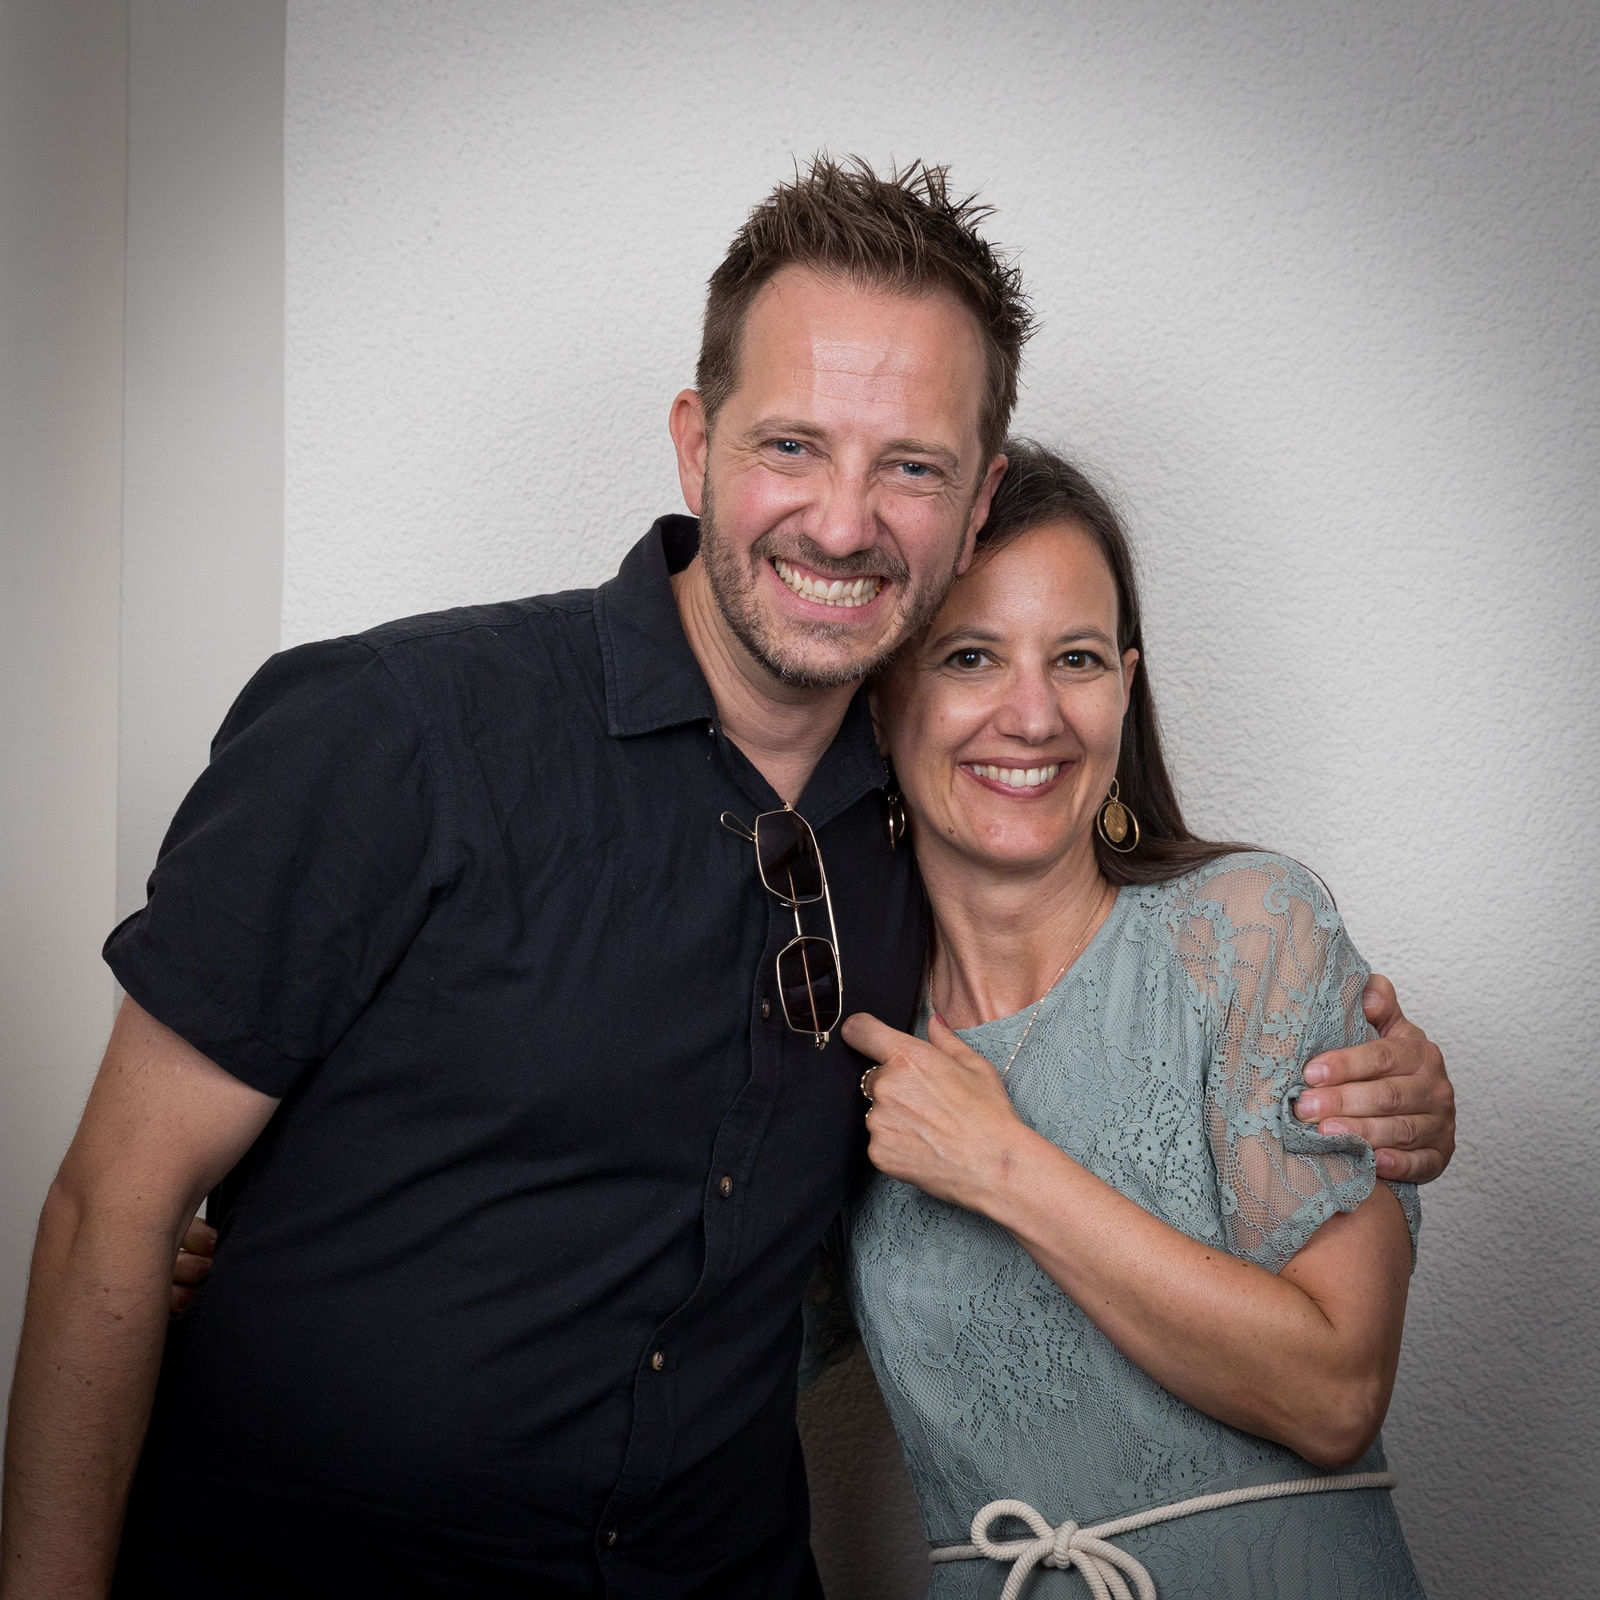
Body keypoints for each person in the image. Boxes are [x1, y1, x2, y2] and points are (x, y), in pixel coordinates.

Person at [0, 162, 1453, 1600]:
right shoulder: (394, 729)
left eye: (911, 466)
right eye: (793, 445)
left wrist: (1380, 1090)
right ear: (695, 441)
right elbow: (110, 1208)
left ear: (976, 501)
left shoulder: (922, 848)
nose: (843, 521)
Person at [842, 442, 1430, 1597]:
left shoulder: (1253, 932)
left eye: (1074, 658)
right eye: (969, 656)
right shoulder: (840, 1041)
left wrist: (999, 1161)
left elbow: (1334, 1391)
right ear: (879, 703)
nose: (1031, 714)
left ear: (1124, 686)